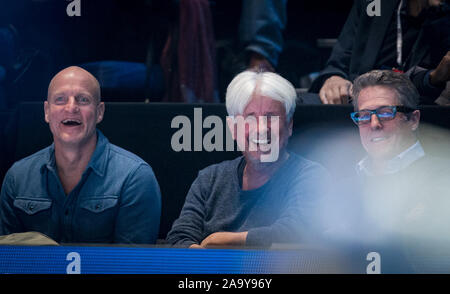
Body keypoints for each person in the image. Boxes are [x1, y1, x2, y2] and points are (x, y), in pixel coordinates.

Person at [166, 70, 330, 248]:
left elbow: (296, 232)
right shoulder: (209, 179)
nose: (260, 129)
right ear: (233, 129)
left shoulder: (311, 175)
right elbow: (178, 238)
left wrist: (222, 241)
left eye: (270, 117)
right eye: (250, 118)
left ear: (289, 126)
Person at [0, 66, 162, 244]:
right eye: (60, 99)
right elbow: (7, 261)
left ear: (99, 112)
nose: (71, 107)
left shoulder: (134, 177)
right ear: (47, 111)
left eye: (83, 100)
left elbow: (132, 266)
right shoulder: (17, 177)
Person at [320, 70, 450, 272]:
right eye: (364, 116)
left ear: (413, 119)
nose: (374, 124)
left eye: (385, 113)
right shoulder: (343, 186)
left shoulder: (444, 176)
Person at [308, 0, 450, 105]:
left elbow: (437, 78)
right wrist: (334, 78)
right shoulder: (372, 5)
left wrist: (439, 13)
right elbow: (338, 63)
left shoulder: (443, 16)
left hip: (419, 108)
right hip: (359, 104)